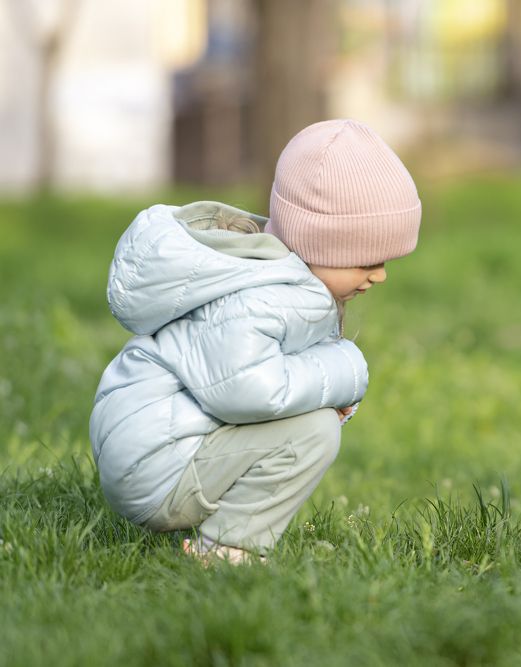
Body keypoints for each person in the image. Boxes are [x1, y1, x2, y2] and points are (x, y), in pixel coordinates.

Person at [89, 119, 421, 563]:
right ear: (319, 243)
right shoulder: (265, 297)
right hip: (156, 469)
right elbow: (248, 390)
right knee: (314, 433)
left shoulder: (267, 276)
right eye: (366, 259)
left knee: (311, 422)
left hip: (150, 453)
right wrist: (345, 370)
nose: (379, 275)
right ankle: (224, 551)